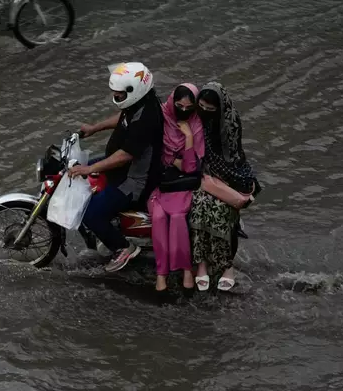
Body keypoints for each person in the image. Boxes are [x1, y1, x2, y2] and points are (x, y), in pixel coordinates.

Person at [69, 62, 164, 273]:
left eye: (119, 95)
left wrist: (87, 170)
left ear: (133, 91)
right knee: (84, 167)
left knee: (90, 214)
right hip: (121, 168)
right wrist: (95, 128)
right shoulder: (139, 104)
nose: (116, 97)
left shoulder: (146, 117)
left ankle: (123, 248)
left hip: (133, 181)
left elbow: (124, 156)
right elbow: (122, 119)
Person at [190, 81, 259, 292]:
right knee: (199, 205)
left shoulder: (230, 123)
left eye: (210, 110)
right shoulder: (194, 116)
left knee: (221, 209)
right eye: (201, 106)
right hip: (202, 174)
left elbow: (230, 158)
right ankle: (201, 263)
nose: (204, 112)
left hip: (229, 175)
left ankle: (226, 266)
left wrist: (218, 177)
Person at [147, 83, 205, 293]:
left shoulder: (196, 124)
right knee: (159, 217)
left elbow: (190, 167)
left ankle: (185, 269)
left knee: (179, 216)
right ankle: (161, 273)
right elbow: (158, 155)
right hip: (161, 184)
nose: (182, 110)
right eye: (179, 105)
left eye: (188, 107)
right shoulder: (162, 116)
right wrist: (173, 160)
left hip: (183, 186)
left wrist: (188, 137)